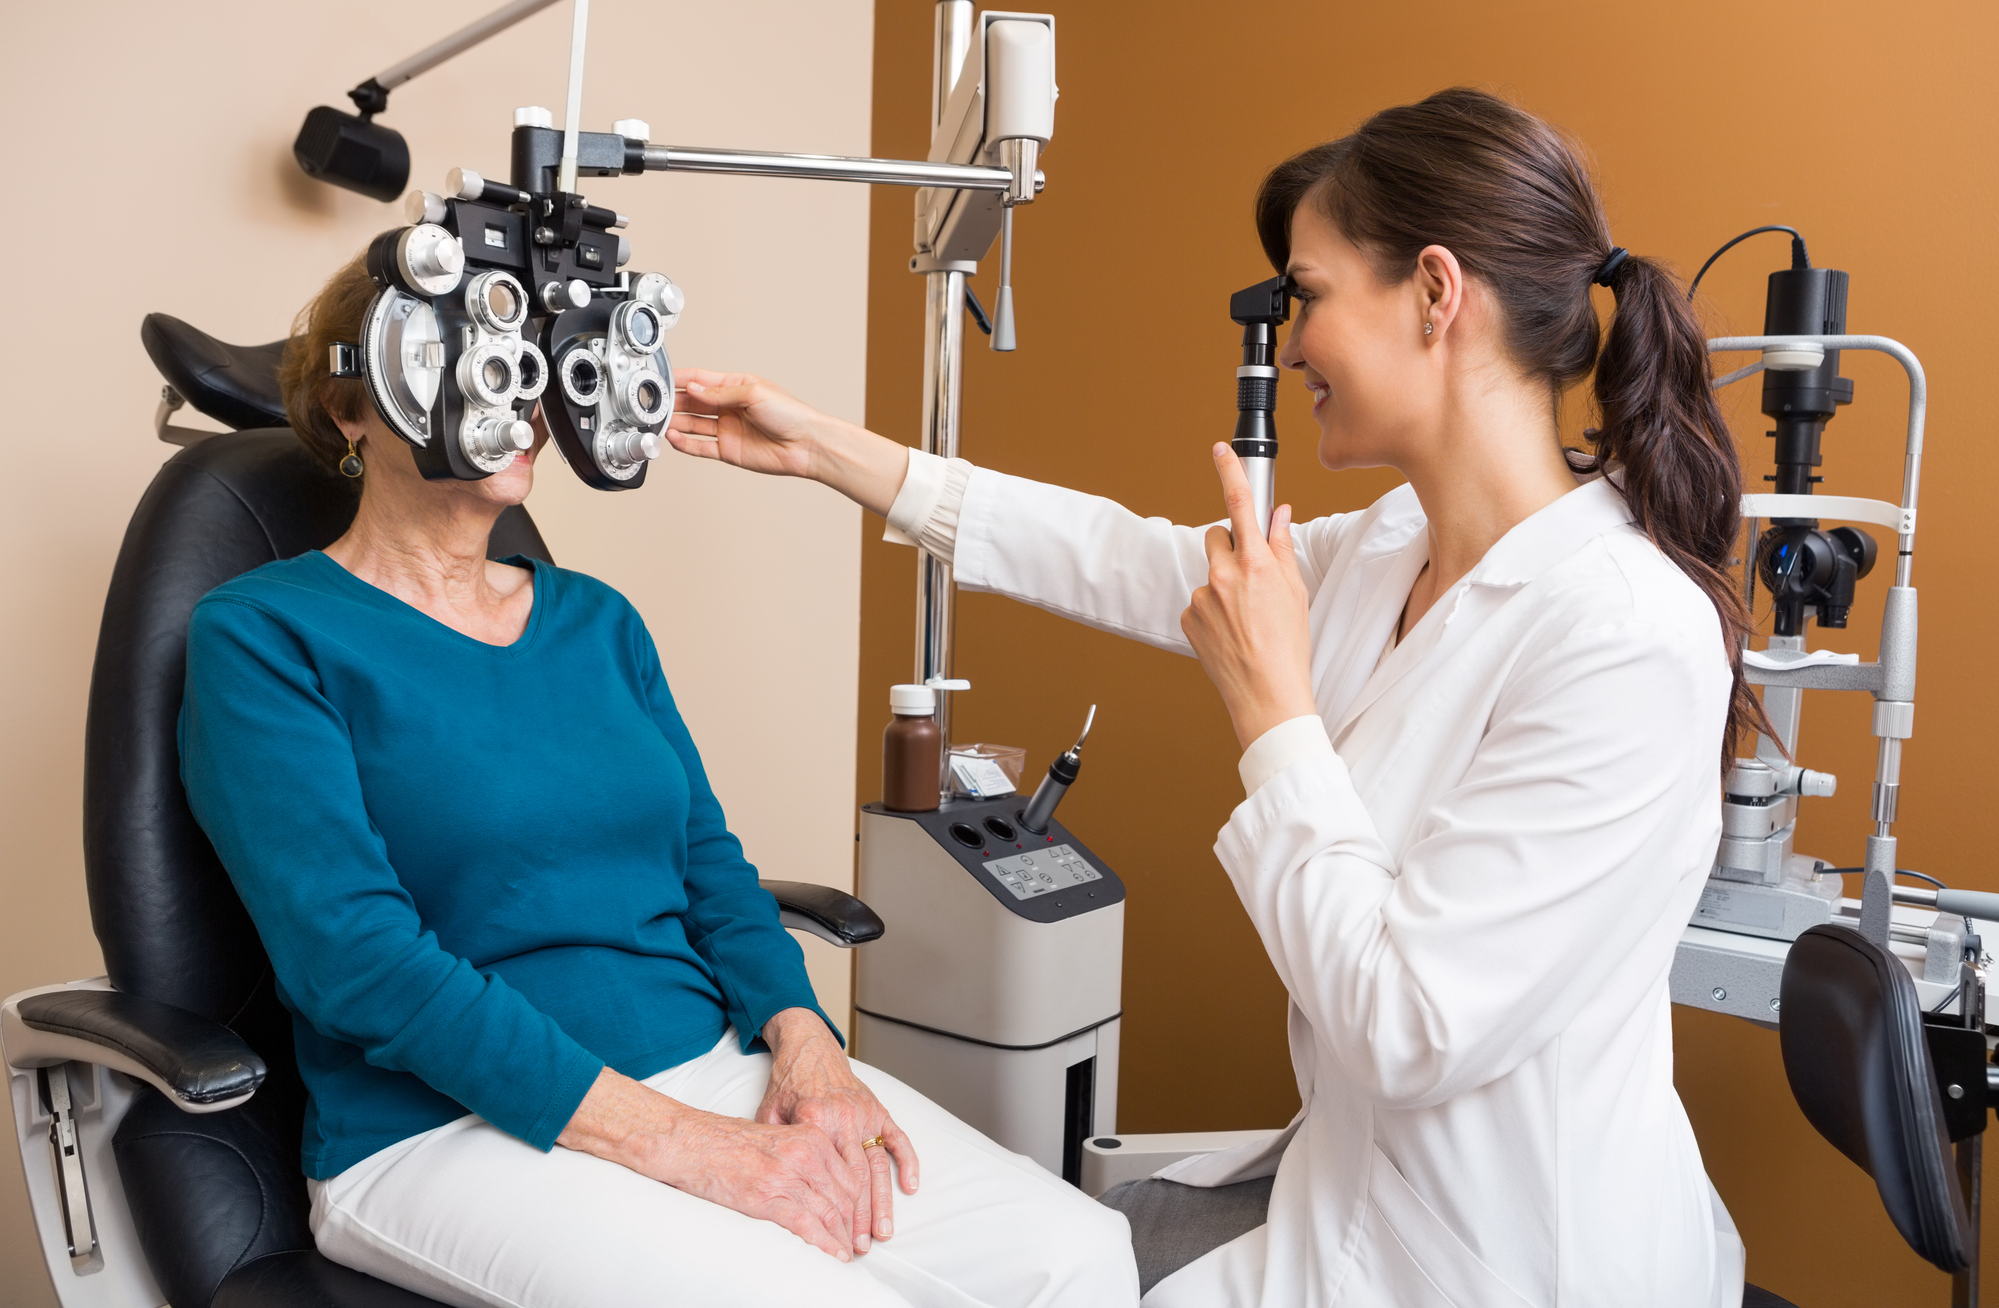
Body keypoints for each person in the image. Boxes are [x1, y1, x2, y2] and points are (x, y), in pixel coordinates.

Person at [664, 87, 1752, 1308]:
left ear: (1436, 294)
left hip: (1514, 1262)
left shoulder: (1624, 634)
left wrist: (1272, 714)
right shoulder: (1395, 545)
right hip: (1354, 1209)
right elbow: (1121, 557)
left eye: (1312, 295)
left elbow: (1408, 1026)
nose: (1289, 347)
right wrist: (825, 450)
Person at [176, 253, 1139, 1308]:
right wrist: (688, 1146)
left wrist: (806, 1044)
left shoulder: (597, 621)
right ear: (354, 405)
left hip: (710, 1064)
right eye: (470, 362)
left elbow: (708, 866)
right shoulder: (267, 635)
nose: (521, 399)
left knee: (1077, 1256)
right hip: (444, 1130)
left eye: (530, 366)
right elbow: (352, 962)